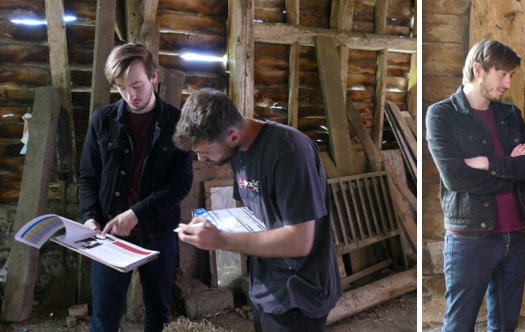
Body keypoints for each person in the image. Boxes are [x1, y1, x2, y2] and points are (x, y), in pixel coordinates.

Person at [172, 88, 342, 331]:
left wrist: (220, 239)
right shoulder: (238, 150)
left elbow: (299, 242)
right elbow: (254, 214)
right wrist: (213, 225)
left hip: (300, 293)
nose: (201, 160)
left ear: (232, 135)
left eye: (206, 151)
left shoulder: (290, 151)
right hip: (266, 284)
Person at [425, 39, 525, 331]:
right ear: (478, 69)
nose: (508, 83)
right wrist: (510, 170)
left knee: (505, 326)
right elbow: (456, 178)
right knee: (459, 325)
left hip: (514, 236)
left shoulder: (510, 115)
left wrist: (488, 162)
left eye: (511, 76)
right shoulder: (441, 115)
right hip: (469, 239)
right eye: (502, 74)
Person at [78, 43, 193, 332]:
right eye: (121, 88)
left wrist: (137, 213)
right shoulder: (102, 120)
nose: (131, 96)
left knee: (157, 313)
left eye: (137, 85)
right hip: (109, 235)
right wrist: (90, 216)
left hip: (158, 233)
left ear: (154, 77)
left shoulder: (176, 122)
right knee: (104, 317)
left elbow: (182, 183)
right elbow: (88, 177)